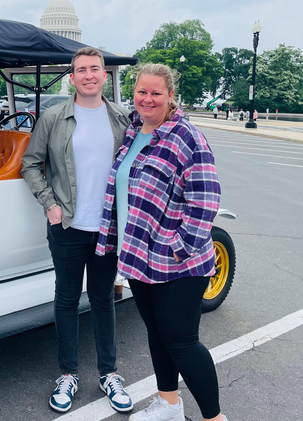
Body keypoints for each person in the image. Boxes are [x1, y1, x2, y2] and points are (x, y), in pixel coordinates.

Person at [97, 63, 227, 421]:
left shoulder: (187, 137)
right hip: (138, 256)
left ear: (171, 96)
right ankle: (169, 404)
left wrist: (178, 248)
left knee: (182, 341)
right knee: (157, 333)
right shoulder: (133, 132)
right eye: (141, 92)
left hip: (177, 263)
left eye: (156, 93)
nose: (147, 99)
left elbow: (206, 200)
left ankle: (214, 418)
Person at [22, 46, 133, 414]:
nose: (88, 75)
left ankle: (109, 373)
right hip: (68, 225)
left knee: (103, 300)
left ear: (104, 75)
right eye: (81, 69)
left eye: (95, 69)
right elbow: (30, 164)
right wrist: (50, 205)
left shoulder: (121, 117)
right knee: (67, 300)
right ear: (72, 77)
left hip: (107, 228)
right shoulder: (54, 117)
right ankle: (68, 374)